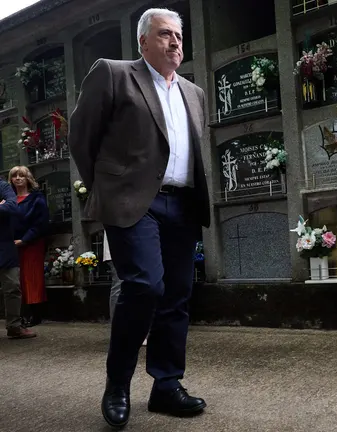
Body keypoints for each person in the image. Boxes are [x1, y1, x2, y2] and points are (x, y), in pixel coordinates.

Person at [69, 7, 210, 428]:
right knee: (145, 285)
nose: (174, 42)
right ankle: (118, 383)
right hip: (134, 203)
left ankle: (166, 385)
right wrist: (108, 189)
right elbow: (82, 136)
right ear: (143, 41)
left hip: (182, 204)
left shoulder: (194, 93)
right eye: (165, 34)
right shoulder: (113, 74)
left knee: (177, 296)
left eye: (179, 35)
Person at [9, 166, 50, 327]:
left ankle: (35, 314)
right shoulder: (8, 200)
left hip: (32, 243)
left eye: (22, 175)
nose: (18, 178)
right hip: (12, 245)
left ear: (28, 179)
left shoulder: (36, 199)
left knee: (31, 277)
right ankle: (21, 313)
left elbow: (41, 223)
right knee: (16, 279)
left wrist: (24, 240)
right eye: (15, 176)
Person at [0, 178, 36, 339]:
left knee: (13, 287)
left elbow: (11, 206)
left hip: (5, 247)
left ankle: (14, 326)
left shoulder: (3, 186)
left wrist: (4, 206)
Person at [104, 232, 146, 346]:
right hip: (118, 245)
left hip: (134, 245)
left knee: (138, 287)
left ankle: (134, 331)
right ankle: (119, 332)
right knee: (119, 286)